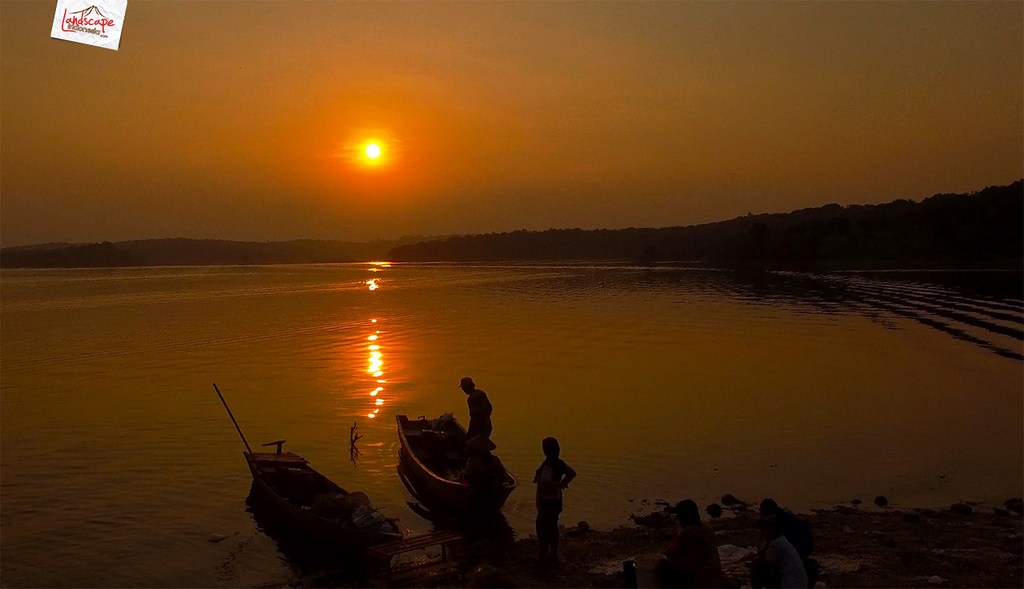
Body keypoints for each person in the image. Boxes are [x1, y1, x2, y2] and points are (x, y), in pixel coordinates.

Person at [657, 499, 726, 588]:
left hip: (700, 580)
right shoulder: (707, 527)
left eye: (679, 517)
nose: (678, 520)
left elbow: (669, 554)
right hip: (715, 575)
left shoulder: (686, 534)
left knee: (663, 567)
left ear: (683, 518)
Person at [532, 437, 577, 564]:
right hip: (556, 499)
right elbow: (572, 473)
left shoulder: (548, 465)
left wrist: (554, 486)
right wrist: (561, 484)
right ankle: (552, 554)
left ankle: (545, 554)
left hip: (547, 501)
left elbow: (545, 482)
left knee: (542, 527)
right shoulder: (558, 463)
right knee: (552, 526)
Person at [759, 498, 817, 584]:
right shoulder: (783, 517)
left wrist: (762, 554)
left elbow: (772, 540)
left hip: (803, 546)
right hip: (803, 544)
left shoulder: (781, 523)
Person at [750, 516, 808, 589]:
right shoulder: (782, 540)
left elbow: (766, 562)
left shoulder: (776, 543)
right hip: (797, 583)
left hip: (789, 584)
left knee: (758, 568)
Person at [463, 435, 506, 520]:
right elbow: (502, 474)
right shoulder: (495, 460)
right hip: (493, 492)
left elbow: (468, 478)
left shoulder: (473, 462)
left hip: (479, 494)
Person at [459, 377, 493, 441]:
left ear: (465, 388)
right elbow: (490, 408)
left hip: (479, 428)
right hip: (487, 426)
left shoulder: (471, 398)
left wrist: (470, 432)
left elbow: (474, 417)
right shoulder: (481, 393)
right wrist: (486, 419)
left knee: (469, 443)